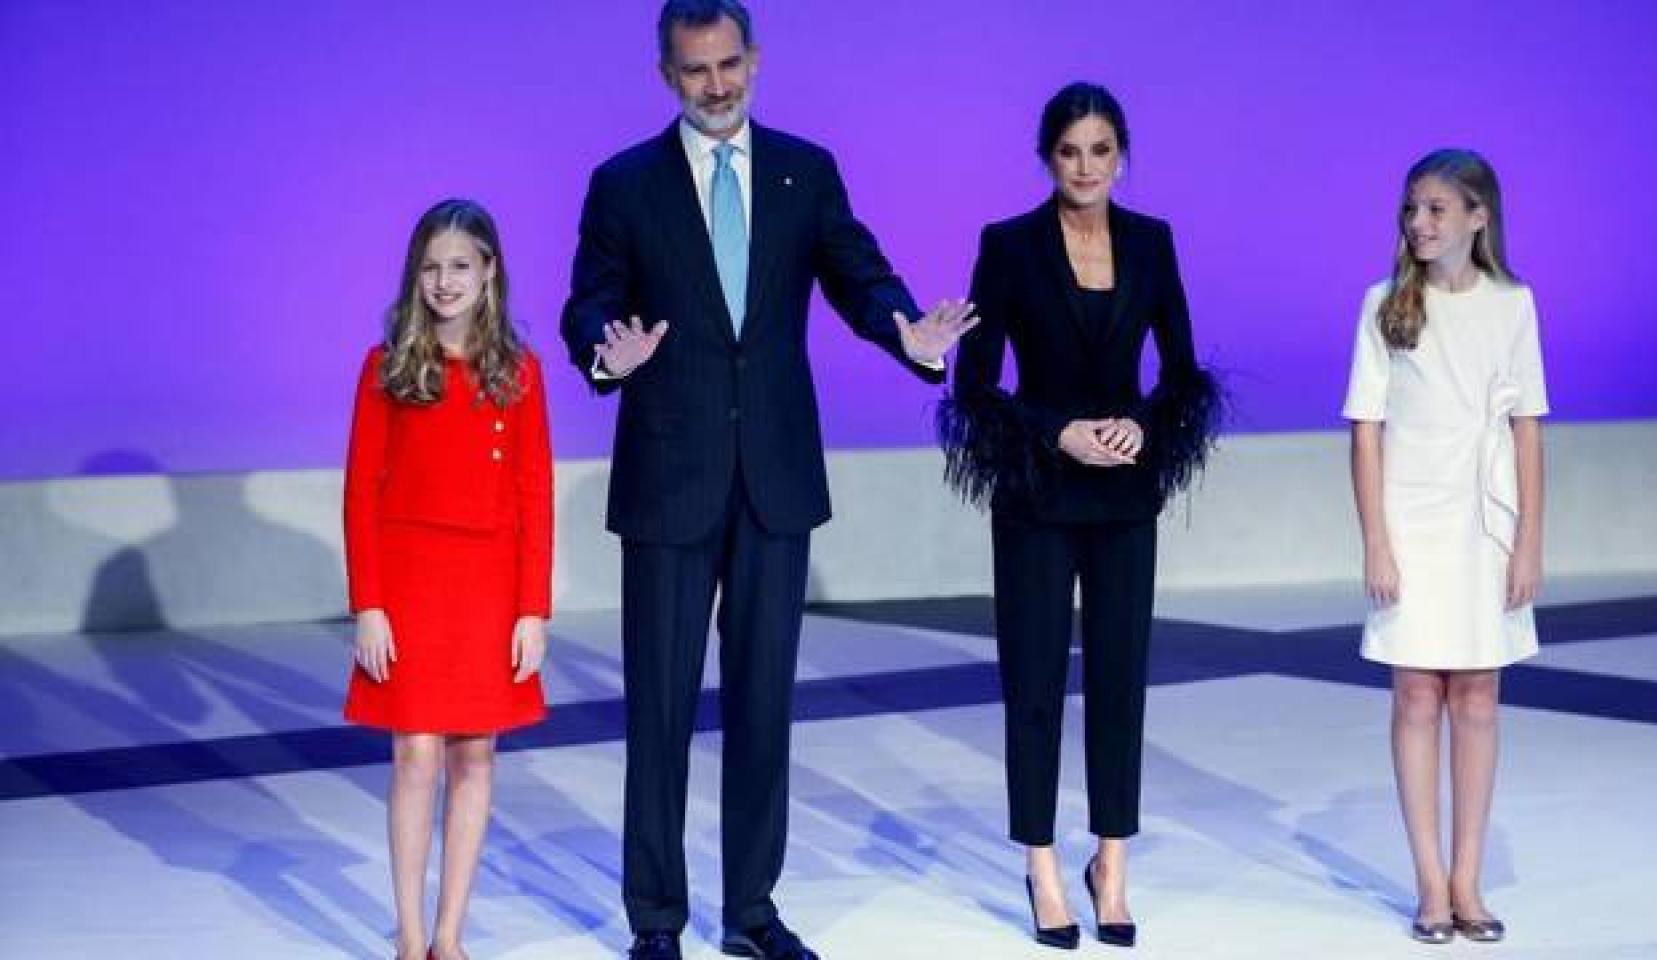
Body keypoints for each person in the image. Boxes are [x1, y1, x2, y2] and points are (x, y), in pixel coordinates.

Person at [559, 3, 976, 958]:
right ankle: (656, 920)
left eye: (730, 64)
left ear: (755, 60)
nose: (717, 86)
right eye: (696, 70)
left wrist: (903, 330)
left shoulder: (805, 168)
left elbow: (858, 272)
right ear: (667, 74)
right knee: (659, 712)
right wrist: (604, 357)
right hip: (670, 477)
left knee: (763, 708)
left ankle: (752, 912)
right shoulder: (624, 183)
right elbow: (589, 303)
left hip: (777, 479)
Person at [937, 82, 1222, 950]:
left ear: (1121, 156)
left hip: (1125, 490)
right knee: (1033, 682)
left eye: (1100, 150)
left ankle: (1112, 861)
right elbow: (976, 385)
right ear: (1047, 157)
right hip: (1039, 493)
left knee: (1119, 679)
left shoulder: (1152, 242)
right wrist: (1060, 432)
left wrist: (1140, 424)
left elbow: (1181, 372)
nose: (1085, 167)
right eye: (1069, 151)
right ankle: (1042, 865)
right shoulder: (1010, 246)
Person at [1343, 148, 1547, 945]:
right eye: (1411, 209)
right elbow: (1366, 432)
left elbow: (1527, 426)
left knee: (1478, 696)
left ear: (1477, 216)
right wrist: (1376, 543)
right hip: (1410, 519)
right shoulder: (1385, 302)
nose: (1419, 223)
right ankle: (1429, 880)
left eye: (1435, 209)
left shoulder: (1513, 304)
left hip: (1482, 521)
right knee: (1417, 694)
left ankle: (1469, 878)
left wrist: (1529, 539)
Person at [344, 198, 554, 960]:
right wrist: (368, 604)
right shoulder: (387, 367)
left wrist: (533, 610)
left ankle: (449, 935)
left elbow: (536, 495)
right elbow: (360, 490)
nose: (444, 281)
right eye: (431, 267)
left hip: (489, 589)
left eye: (460, 265)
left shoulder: (520, 373)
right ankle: (407, 935)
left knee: (474, 755)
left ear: (489, 270)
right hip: (409, 584)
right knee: (416, 754)